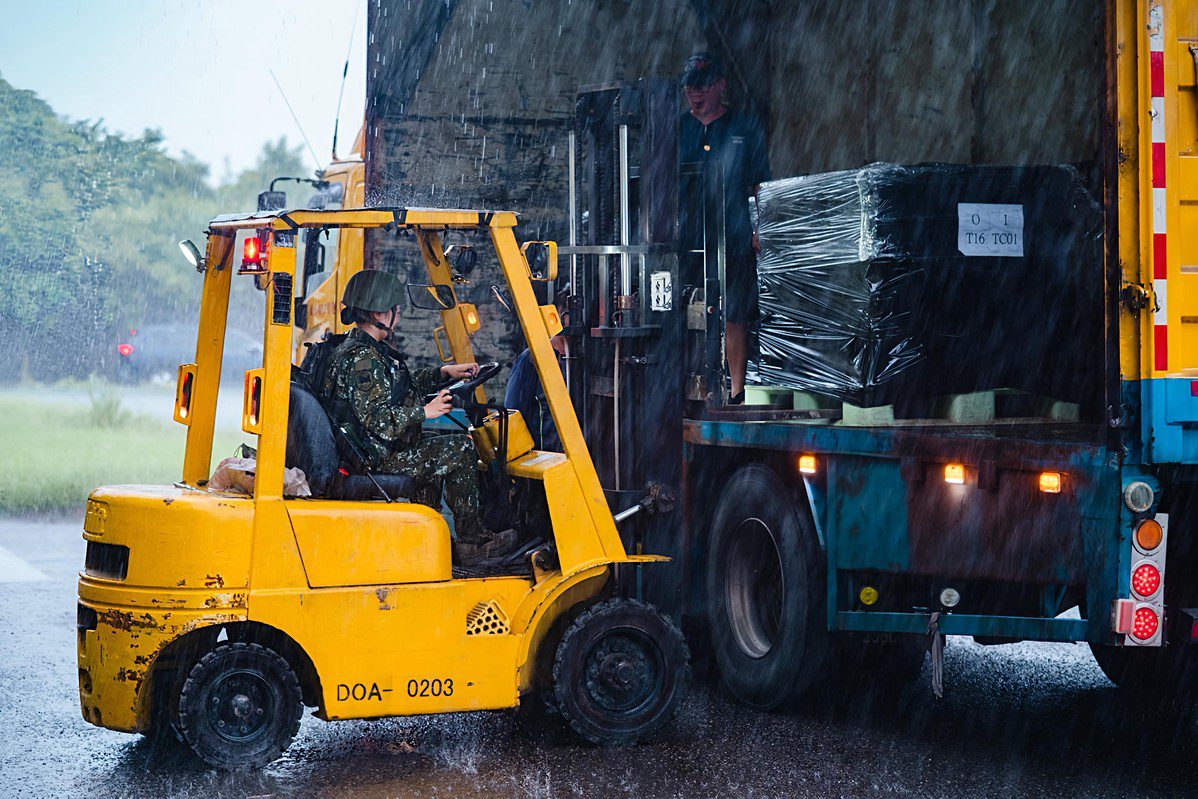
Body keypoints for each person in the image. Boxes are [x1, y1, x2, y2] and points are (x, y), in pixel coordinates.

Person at [321, 269, 517, 563]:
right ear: (380, 312)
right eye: (395, 311)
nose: (398, 317)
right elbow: (378, 420)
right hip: (373, 457)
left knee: (433, 448)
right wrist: (425, 411)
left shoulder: (361, 349)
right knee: (460, 448)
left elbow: (394, 389)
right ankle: (472, 541)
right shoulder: (363, 359)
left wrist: (443, 374)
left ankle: (425, 535)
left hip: (370, 450)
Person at [678, 52, 771, 404]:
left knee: (734, 314)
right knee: (684, 310)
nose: (694, 93)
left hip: (732, 235)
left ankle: (735, 390)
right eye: (689, 86)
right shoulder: (679, 129)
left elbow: (761, 184)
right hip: (687, 238)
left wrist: (761, 229)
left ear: (721, 85)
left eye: (701, 86)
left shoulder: (743, 128)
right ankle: (688, 385)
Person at [504, 290, 569, 452]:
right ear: (557, 315)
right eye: (568, 313)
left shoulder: (582, 361)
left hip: (576, 459)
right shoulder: (533, 359)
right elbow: (514, 412)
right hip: (542, 457)